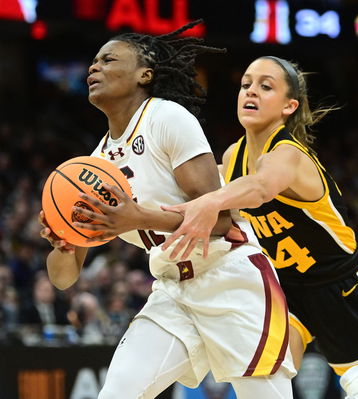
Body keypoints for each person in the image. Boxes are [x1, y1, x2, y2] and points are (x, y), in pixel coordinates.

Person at [39, 21, 295, 399]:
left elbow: (222, 222)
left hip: (230, 277)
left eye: (108, 59)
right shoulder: (93, 165)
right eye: (93, 61)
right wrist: (63, 244)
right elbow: (63, 279)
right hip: (173, 291)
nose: (95, 67)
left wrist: (139, 218)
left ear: (145, 73)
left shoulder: (167, 118)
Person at [152, 56, 358, 399]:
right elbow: (190, 189)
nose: (251, 92)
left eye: (266, 86)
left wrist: (212, 201)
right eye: (246, 84)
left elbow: (261, 188)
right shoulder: (234, 157)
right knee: (265, 383)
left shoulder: (290, 155)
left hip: (339, 289)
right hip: (284, 291)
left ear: (289, 106)